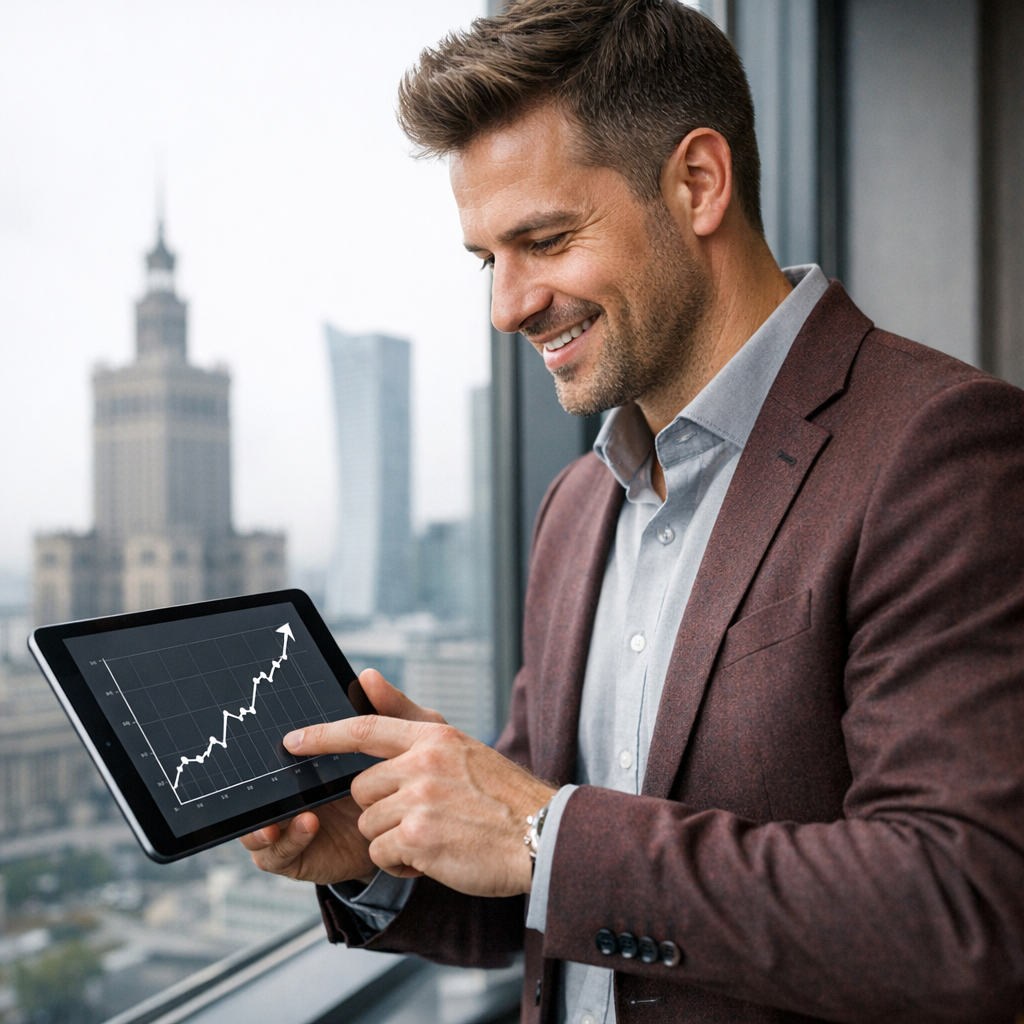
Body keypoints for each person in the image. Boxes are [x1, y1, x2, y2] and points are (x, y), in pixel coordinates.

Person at [241, 1, 1024, 1021]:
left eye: (545, 239)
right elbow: (553, 894)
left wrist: (539, 833)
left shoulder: (938, 450)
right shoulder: (574, 505)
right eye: (488, 259)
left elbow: (963, 913)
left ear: (697, 183)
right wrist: (388, 850)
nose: (507, 306)